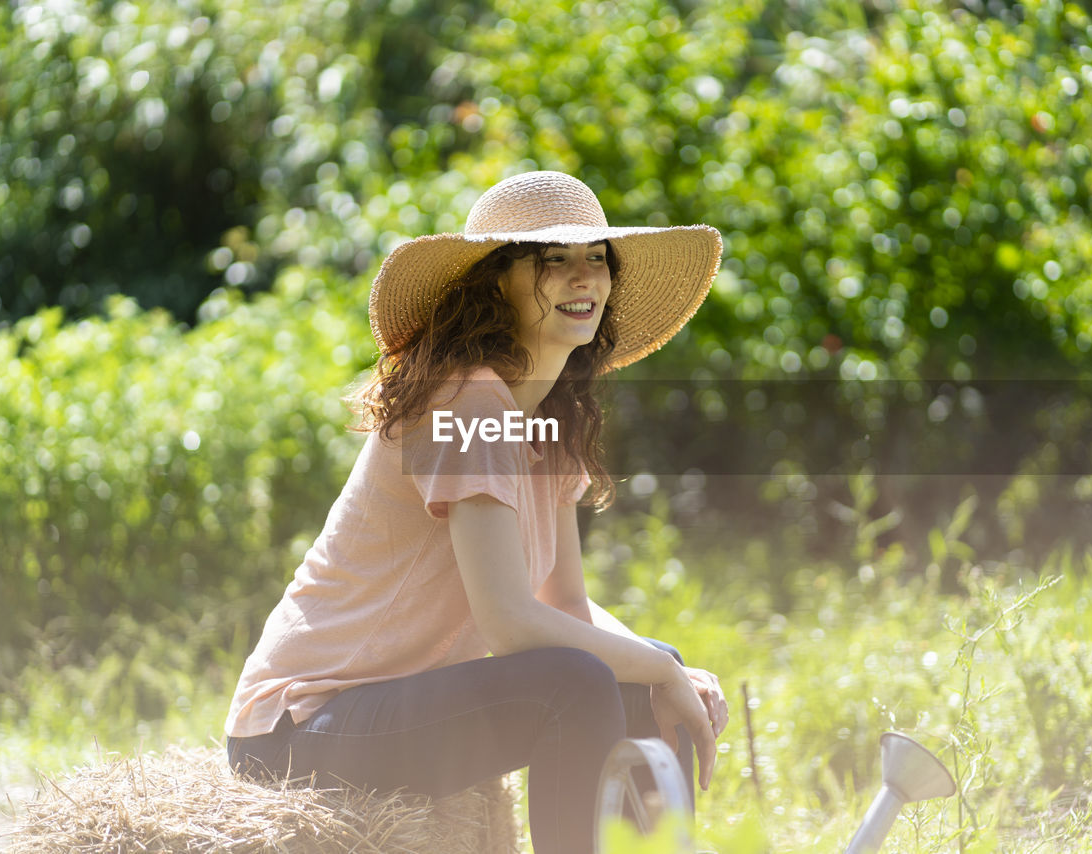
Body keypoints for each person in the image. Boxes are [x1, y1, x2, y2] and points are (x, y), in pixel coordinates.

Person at [224, 171, 728, 854]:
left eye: (597, 258)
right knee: (577, 683)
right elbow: (511, 621)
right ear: (497, 282)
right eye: (553, 259)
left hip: (394, 713)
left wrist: (663, 665)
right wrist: (659, 669)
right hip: (303, 726)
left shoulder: (543, 419)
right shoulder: (470, 403)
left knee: (638, 671)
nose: (584, 277)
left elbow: (567, 608)